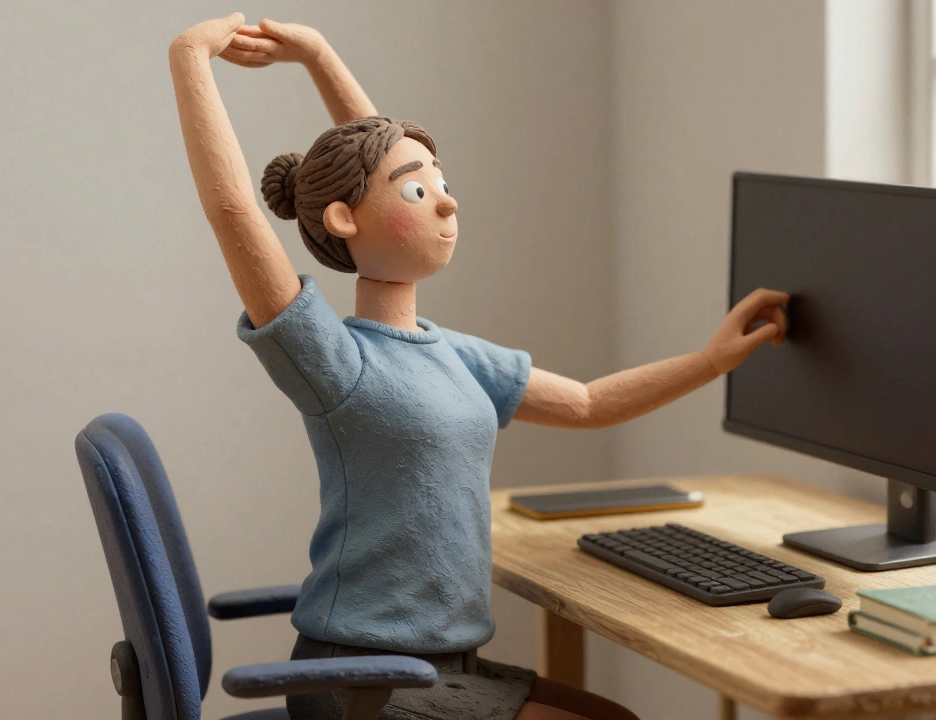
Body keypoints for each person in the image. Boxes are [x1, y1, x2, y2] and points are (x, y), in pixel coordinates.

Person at [169, 14, 789, 720]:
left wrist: (712, 361)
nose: (447, 200)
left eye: (442, 181)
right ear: (342, 221)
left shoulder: (451, 353)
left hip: (446, 663)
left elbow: (587, 403)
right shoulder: (334, 364)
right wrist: (190, 57)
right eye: (420, 192)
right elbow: (232, 211)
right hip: (360, 678)